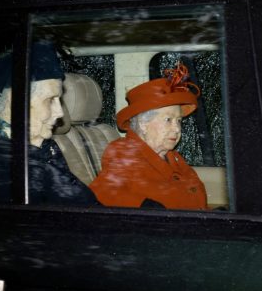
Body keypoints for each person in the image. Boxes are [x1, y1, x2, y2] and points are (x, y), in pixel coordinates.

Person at [0, 42, 98, 206]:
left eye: (59, 100)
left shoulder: (42, 147)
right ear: (17, 104)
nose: (60, 112)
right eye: (50, 100)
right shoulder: (5, 159)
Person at [89, 63, 208, 210]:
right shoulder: (124, 151)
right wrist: (143, 205)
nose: (177, 128)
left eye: (179, 121)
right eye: (168, 120)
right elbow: (103, 190)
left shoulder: (173, 157)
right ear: (143, 124)